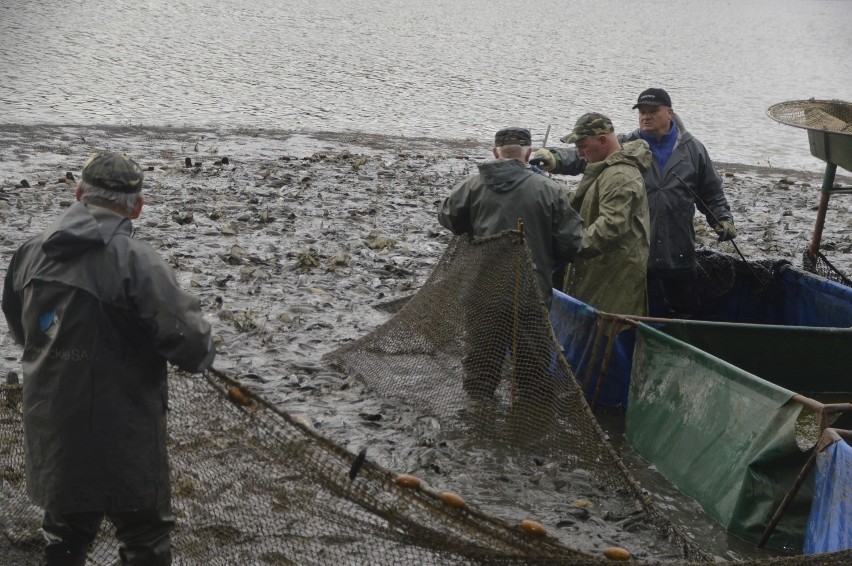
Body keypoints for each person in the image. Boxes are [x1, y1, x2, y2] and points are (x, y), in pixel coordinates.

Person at [2, 152, 216, 565]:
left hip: (52, 429)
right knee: (145, 538)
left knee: (63, 535)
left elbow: (21, 330)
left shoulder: (28, 253)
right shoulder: (138, 261)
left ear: (79, 192)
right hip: (126, 436)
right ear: (137, 206)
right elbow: (191, 346)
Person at [532, 88, 735, 317]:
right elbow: (585, 154)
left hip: (678, 249)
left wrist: (723, 219)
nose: (646, 116)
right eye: (642, 112)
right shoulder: (627, 147)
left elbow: (711, 191)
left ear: (669, 112)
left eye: (653, 111)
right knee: (641, 313)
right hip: (640, 254)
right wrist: (555, 159)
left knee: (685, 312)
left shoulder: (693, 149)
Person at [437, 127, 584, 397]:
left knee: (480, 371)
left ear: (495, 152)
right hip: (530, 294)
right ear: (527, 154)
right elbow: (572, 244)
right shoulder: (550, 190)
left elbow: (448, 217)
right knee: (533, 374)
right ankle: (527, 427)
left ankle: (476, 423)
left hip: (483, 290)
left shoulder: (472, 185)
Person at [537, 113, 652, 317]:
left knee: (608, 340)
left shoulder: (620, 176)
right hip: (599, 272)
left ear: (602, 140)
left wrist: (569, 245)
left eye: (582, 145)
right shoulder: (605, 168)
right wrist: (548, 186)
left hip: (614, 280)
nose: (579, 153)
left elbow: (610, 228)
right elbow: (584, 201)